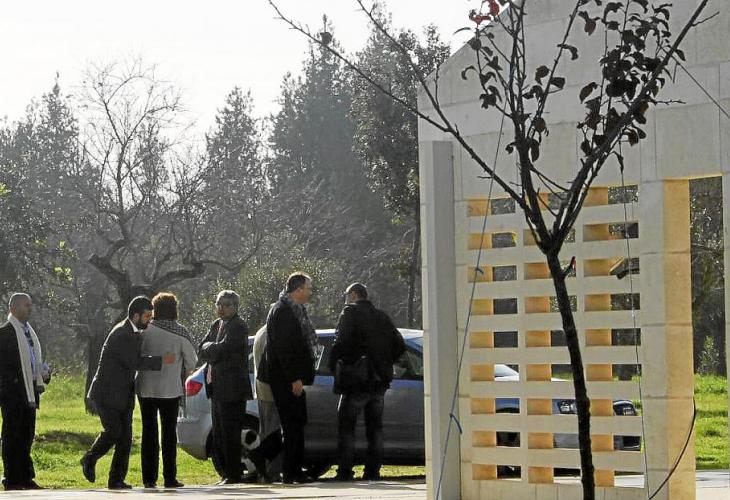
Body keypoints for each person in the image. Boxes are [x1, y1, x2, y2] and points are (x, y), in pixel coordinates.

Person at [82, 296, 175, 490]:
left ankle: (116, 480)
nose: (149, 320)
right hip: (107, 393)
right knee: (114, 431)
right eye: (147, 316)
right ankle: (90, 458)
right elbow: (134, 362)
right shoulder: (122, 334)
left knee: (125, 438)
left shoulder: (133, 333)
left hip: (123, 395)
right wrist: (160, 360)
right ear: (136, 315)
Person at [328, 283, 405, 481]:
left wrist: (336, 364)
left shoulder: (349, 313)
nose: (346, 298)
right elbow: (399, 344)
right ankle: (372, 471)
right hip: (379, 381)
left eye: (347, 294)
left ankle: (345, 471)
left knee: (347, 426)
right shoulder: (381, 316)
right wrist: (385, 361)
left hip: (356, 381)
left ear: (354, 294)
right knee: (375, 428)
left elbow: (341, 342)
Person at [136, 292, 197, 489]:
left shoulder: (145, 330)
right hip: (170, 389)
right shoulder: (180, 333)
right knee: (169, 434)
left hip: (145, 388)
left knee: (149, 432)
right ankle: (170, 477)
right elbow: (192, 361)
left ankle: (149, 478)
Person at [264, 272, 316, 484]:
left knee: (297, 422)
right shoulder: (283, 311)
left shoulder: (295, 310)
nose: (310, 292)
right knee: (292, 425)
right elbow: (284, 349)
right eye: (308, 288)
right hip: (286, 379)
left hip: (293, 377)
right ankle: (290, 471)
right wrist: (294, 378)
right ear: (298, 290)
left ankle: (294, 469)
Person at [198, 290, 252, 485]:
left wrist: (211, 348)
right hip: (216, 388)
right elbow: (201, 348)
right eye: (219, 304)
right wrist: (212, 348)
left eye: (226, 305)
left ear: (235, 307)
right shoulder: (216, 324)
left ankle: (233, 473)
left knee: (231, 433)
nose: (221, 308)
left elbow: (224, 349)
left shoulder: (238, 326)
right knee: (219, 433)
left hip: (232, 389)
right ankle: (224, 473)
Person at [0, 293, 51, 491]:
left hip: (30, 393)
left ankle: (26, 477)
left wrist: (42, 373)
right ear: (13, 308)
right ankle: (12, 478)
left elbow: (32, 361)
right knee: (12, 436)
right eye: (26, 305)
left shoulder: (30, 333)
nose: (30, 308)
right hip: (13, 395)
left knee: (26, 436)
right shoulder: (5, 333)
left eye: (30, 305)